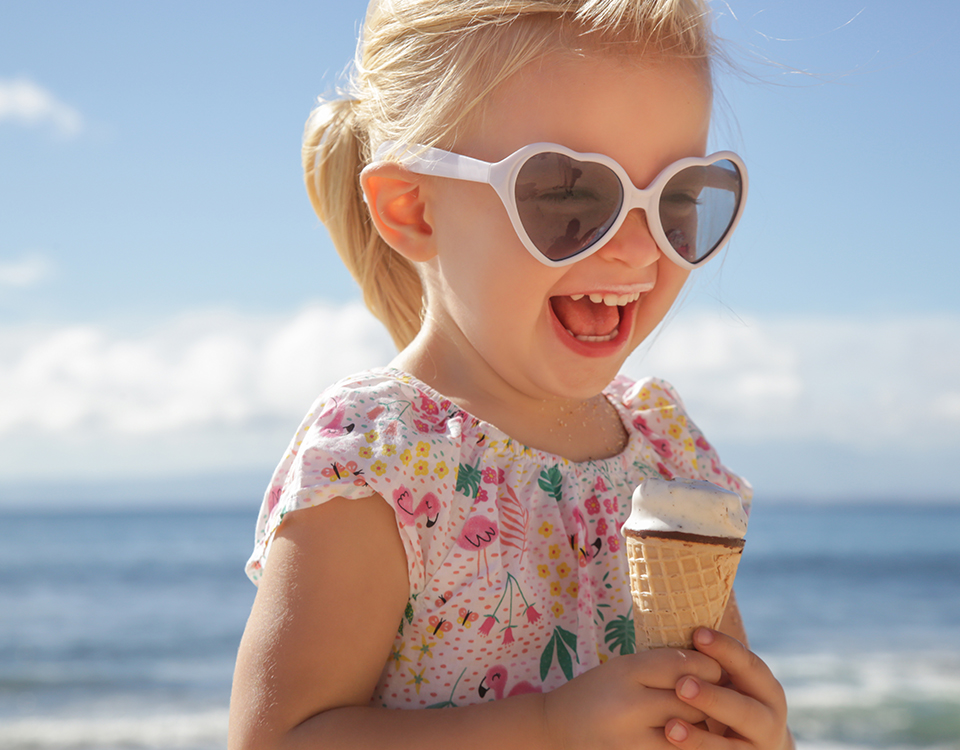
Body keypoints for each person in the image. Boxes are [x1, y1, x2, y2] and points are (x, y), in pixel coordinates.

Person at [229, 1, 793, 748]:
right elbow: (276, 739)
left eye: (679, 201)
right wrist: (547, 729)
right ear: (414, 209)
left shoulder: (667, 448)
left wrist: (757, 735)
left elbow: (706, 693)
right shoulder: (383, 457)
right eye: (570, 196)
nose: (636, 250)